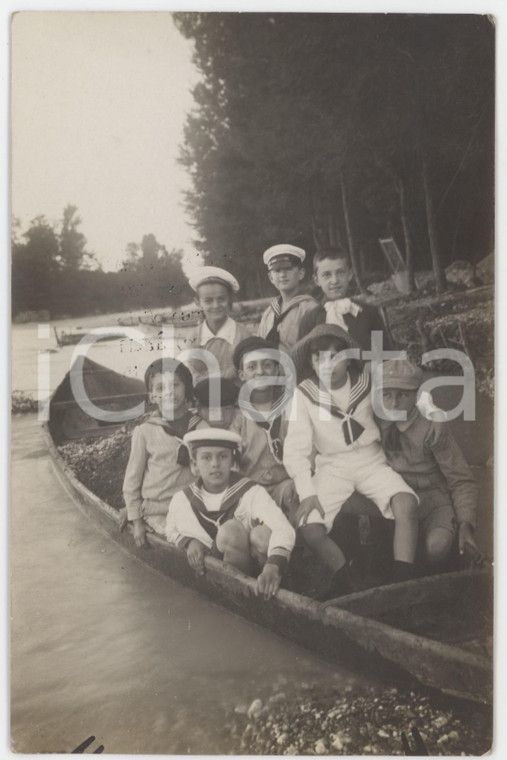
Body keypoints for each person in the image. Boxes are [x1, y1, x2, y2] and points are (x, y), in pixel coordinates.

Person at [284, 324, 419, 599]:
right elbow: (296, 447)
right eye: (318, 357)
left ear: (349, 358)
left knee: (406, 503)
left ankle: (402, 584)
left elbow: (405, 399)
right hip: (333, 466)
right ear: (310, 362)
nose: (327, 364)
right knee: (310, 526)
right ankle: (344, 577)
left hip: (372, 460)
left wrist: (428, 411)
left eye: (336, 356)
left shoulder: (368, 382)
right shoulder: (304, 393)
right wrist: (307, 491)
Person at [165, 428, 296, 600]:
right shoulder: (182, 499)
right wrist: (188, 542)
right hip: (216, 568)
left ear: (233, 461)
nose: (215, 464)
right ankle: (239, 597)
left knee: (263, 530)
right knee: (231, 531)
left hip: (261, 569)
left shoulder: (251, 491)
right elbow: (170, 530)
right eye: (206, 457)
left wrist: (274, 565)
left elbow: (282, 527)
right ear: (194, 464)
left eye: (223, 456)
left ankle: (271, 590)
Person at [376, 359, 481, 570]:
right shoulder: (374, 421)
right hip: (394, 498)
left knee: (436, 547)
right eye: (386, 395)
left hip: (432, 499)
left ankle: (442, 561)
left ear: (415, 395)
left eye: (403, 395)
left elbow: (461, 480)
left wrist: (466, 524)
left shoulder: (433, 428)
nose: (394, 404)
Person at [122, 358, 203, 547]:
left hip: (195, 508)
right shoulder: (145, 432)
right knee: (188, 540)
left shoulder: (199, 426)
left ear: (186, 390)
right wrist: (136, 520)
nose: (169, 392)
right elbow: (132, 481)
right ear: (151, 396)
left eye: (175, 385)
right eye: (160, 388)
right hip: (159, 512)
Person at [230, 336, 299, 516]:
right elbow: (232, 464)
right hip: (250, 489)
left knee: (297, 498)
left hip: (286, 484)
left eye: (267, 365)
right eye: (252, 367)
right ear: (241, 374)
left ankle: (301, 537)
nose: (260, 372)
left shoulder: (290, 407)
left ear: (277, 370)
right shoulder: (236, 416)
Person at [298, 247, 392, 350]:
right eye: (326, 275)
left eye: (340, 272)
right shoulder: (309, 321)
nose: (334, 280)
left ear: (350, 274)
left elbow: (384, 354)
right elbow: (304, 361)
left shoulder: (370, 313)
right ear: (317, 280)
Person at [184, 266, 252, 383]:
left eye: (221, 299)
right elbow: (190, 376)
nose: (215, 305)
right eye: (208, 301)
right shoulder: (193, 338)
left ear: (230, 299)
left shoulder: (244, 337)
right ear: (198, 302)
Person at [257, 244, 317, 350]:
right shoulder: (268, 314)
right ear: (271, 278)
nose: (282, 275)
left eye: (288, 269)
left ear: (301, 273)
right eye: (277, 271)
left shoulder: (310, 309)